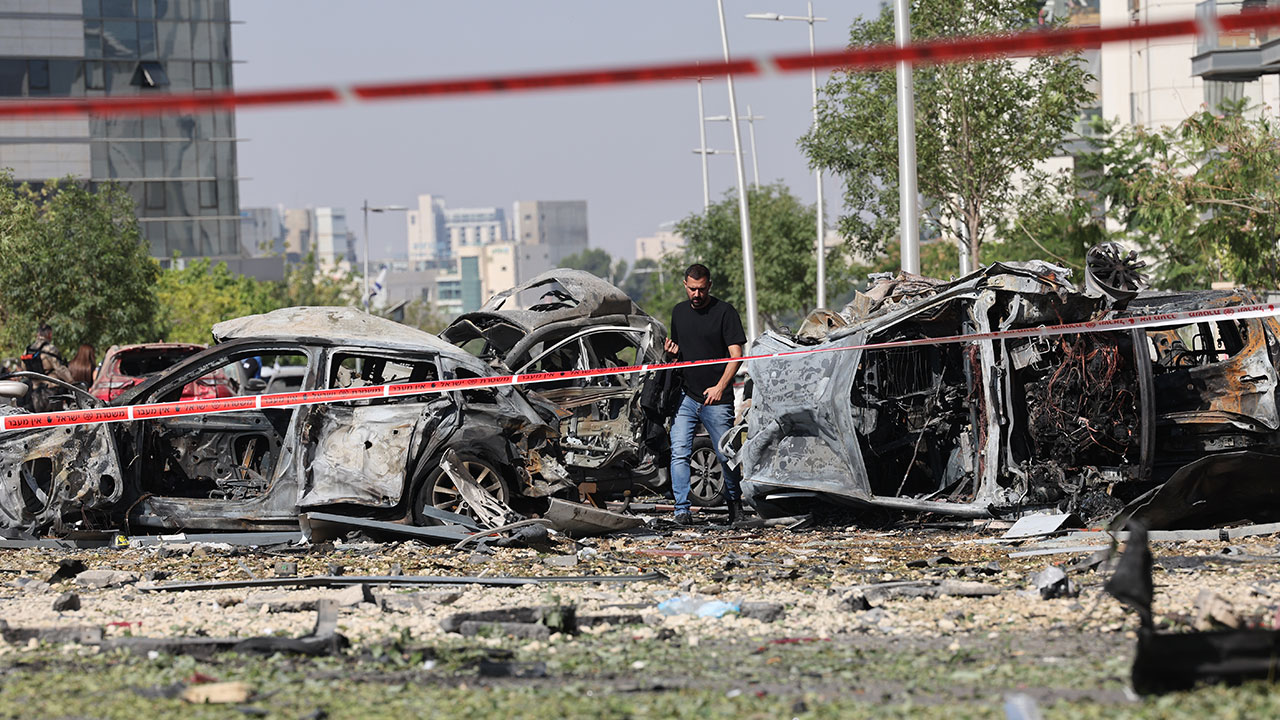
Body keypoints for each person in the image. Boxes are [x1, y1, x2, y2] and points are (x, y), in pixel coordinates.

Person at [664, 263, 747, 526]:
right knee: (679, 452)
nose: (696, 294)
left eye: (701, 289)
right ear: (684, 285)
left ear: (709, 286)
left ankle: (735, 504)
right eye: (691, 289)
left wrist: (721, 387)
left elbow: (737, 357)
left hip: (717, 398)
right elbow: (680, 354)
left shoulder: (725, 312)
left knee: (725, 454)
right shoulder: (678, 313)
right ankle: (681, 510)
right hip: (687, 397)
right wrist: (671, 354)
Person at [21, 324, 73, 411]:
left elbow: (24, 369)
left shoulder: (27, 350)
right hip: (52, 390)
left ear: (38, 334)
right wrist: (72, 382)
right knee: (55, 420)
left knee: (40, 420)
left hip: (36, 392)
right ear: (50, 334)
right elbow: (60, 369)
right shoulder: (50, 349)